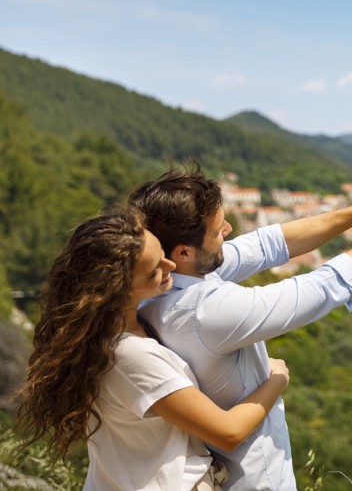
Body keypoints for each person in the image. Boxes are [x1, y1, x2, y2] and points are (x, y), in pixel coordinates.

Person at [129, 163, 352, 490]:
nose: (227, 229)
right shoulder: (203, 311)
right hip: (255, 479)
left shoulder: (163, 282)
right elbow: (327, 285)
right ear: (183, 251)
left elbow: (270, 244)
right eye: (217, 230)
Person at [15, 209, 291, 491]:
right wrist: (277, 379)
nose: (170, 266)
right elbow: (229, 432)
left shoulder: (109, 333)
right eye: (153, 271)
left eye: (162, 254)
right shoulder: (131, 357)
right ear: (117, 290)